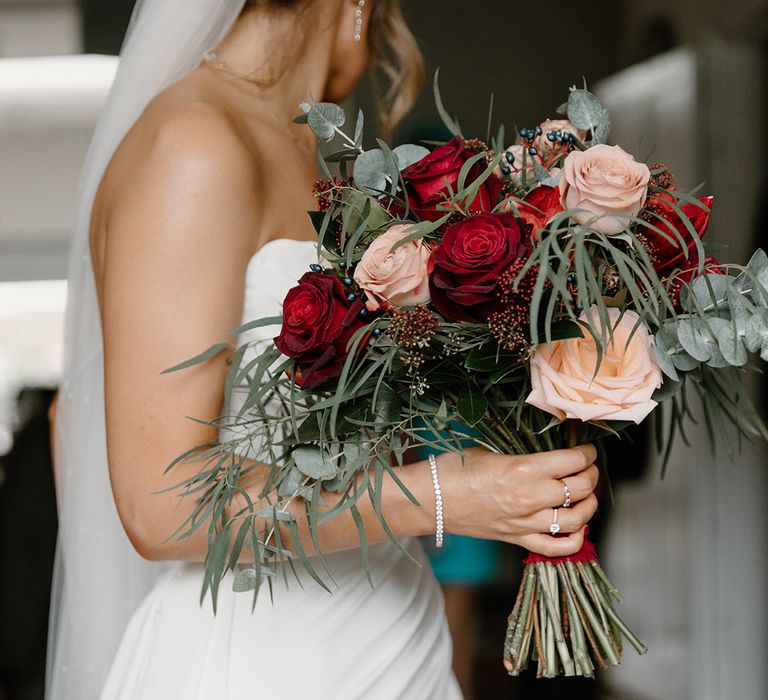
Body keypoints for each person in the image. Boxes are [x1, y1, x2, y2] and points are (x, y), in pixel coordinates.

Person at [47, 2, 600, 698]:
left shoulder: (308, 147)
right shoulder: (194, 142)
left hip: (390, 637)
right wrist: (441, 495)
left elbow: (334, 432)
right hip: (262, 658)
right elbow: (163, 507)